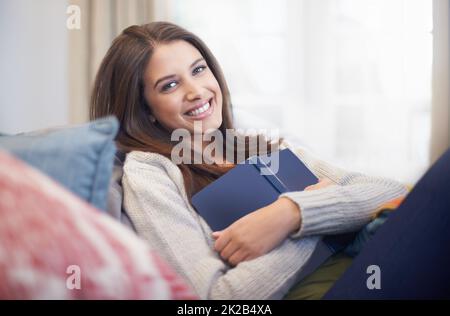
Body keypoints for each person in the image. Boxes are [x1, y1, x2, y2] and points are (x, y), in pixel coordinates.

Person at [89, 21, 437, 299]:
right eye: (169, 86)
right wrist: (312, 228)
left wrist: (293, 213)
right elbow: (212, 300)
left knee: (436, 192)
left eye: (198, 70)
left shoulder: (254, 145)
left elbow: (388, 191)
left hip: (359, 266)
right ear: (144, 110)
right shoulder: (151, 171)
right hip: (328, 286)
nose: (195, 91)